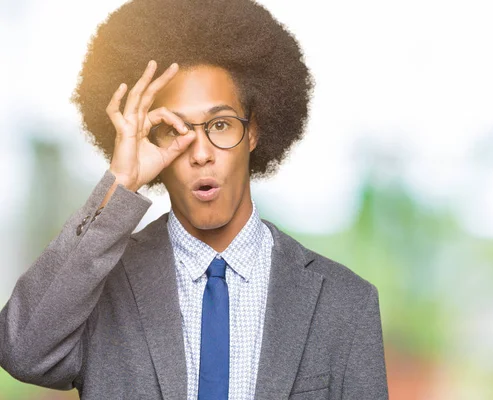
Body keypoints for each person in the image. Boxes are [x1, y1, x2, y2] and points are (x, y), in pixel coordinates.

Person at [0, 0, 389, 398]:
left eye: (220, 125)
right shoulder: (99, 287)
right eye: (175, 130)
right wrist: (120, 182)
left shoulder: (346, 304)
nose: (201, 152)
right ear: (152, 140)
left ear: (253, 131)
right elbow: (24, 352)